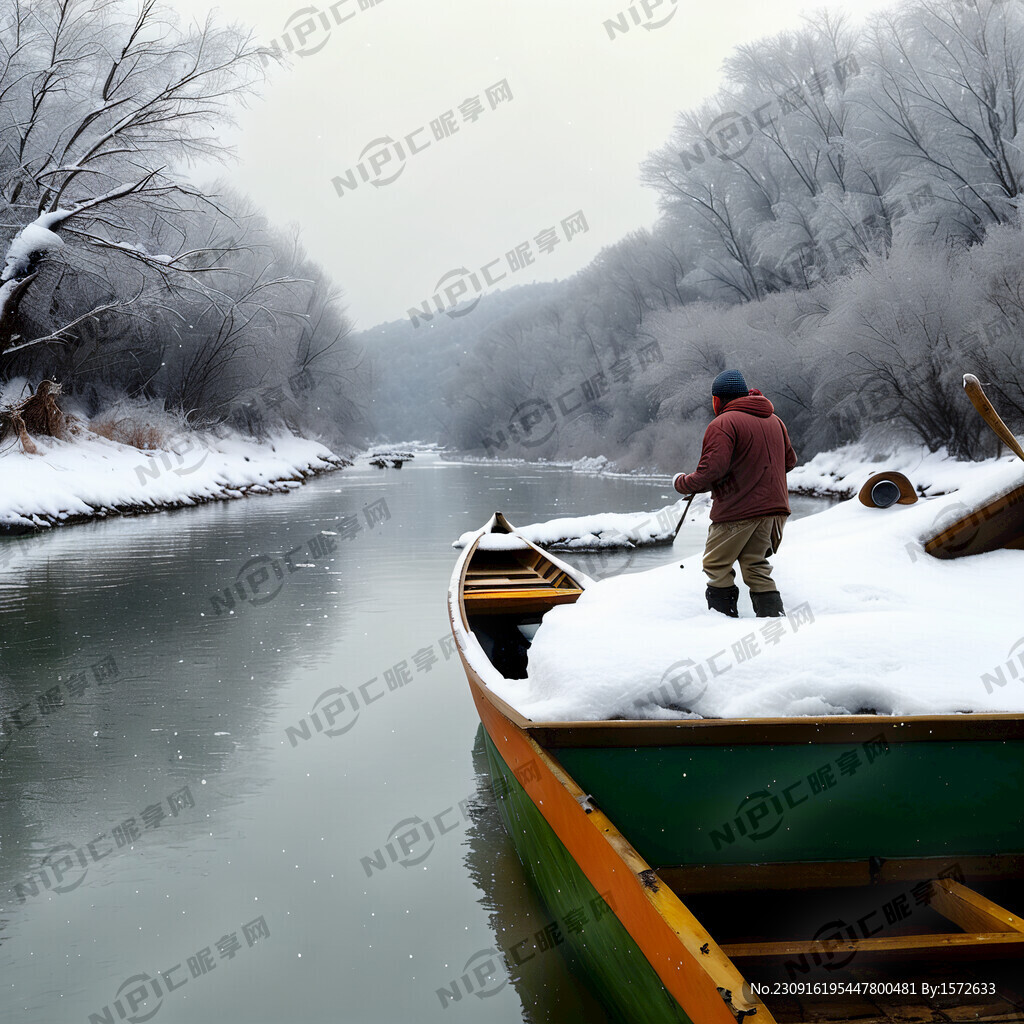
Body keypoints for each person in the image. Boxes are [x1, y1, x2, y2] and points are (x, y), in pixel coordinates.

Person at [673, 370, 797, 618]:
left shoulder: (723, 423)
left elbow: (711, 471)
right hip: (775, 510)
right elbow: (790, 461)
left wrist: (682, 482)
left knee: (715, 565)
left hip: (737, 511)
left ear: (717, 399)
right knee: (755, 566)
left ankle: (722, 622)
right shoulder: (776, 421)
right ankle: (774, 621)